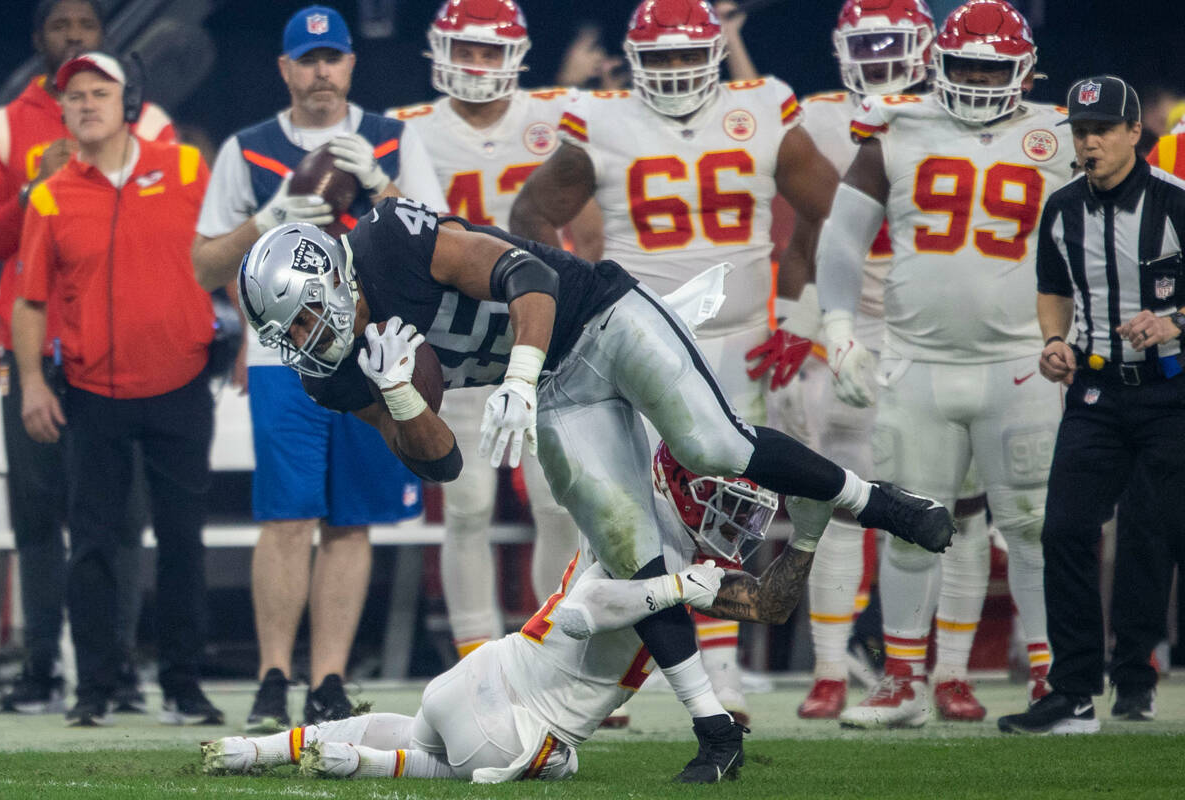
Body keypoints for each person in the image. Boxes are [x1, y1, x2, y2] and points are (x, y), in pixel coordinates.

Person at [236, 191, 955, 780]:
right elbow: (441, 466)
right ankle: (714, 733)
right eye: (286, 331)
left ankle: (878, 502)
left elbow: (531, 275)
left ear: (332, 276)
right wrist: (401, 398)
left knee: (712, 444)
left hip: (596, 315)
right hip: (556, 389)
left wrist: (516, 376)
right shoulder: (329, 374)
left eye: (303, 313)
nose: (303, 337)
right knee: (626, 547)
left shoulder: (389, 239)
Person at [508, 0, 839, 725]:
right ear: (636, 61)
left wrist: (805, 303)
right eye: (659, 58)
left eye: (687, 56)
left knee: (728, 510)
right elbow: (530, 215)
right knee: (627, 509)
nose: (675, 71)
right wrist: (574, 304)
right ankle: (601, 670)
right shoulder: (602, 120)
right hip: (639, 342)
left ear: (714, 54)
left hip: (740, 336)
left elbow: (831, 209)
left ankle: (719, 673)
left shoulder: (761, 105)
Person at [201, 458, 828, 784]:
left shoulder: (653, 535)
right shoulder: (652, 547)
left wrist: (807, 535)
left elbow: (768, 606)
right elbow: (590, 611)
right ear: (685, 491)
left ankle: (251, 750)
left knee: (409, 729)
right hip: (516, 720)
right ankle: (361, 767)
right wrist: (675, 586)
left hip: (482, 676)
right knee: (528, 763)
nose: (735, 516)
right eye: (723, 498)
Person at [815, 0, 1072, 728]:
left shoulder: (1057, 135)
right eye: (967, 66)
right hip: (917, 363)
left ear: (1024, 69)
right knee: (910, 526)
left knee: (1030, 527)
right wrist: (838, 328)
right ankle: (901, 681)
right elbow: (840, 241)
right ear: (938, 63)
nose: (982, 81)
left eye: (996, 68)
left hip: (1021, 364)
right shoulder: (895, 126)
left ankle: (1052, 681)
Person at [191, 5, 447, 732]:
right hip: (284, 354)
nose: (321, 71)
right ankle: (274, 675)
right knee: (286, 516)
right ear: (284, 69)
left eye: (332, 56)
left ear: (351, 63)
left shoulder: (396, 138)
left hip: (371, 350)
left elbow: (444, 243)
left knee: (351, 521)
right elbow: (204, 262)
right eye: (308, 59)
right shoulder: (250, 148)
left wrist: (384, 190)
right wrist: (266, 220)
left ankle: (328, 679)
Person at [794, 0, 1002, 724]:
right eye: (866, 45)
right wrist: (802, 325)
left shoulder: (961, 117)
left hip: (940, 336)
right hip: (852, 330)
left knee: (961, 505)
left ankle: (949, 671)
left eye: (894, 45)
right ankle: (829, 669)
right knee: (840, 497)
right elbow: (805, 236)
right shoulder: (818, 116)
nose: (879, 60)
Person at [11, 52, 221, 727]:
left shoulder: (188, 166)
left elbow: (228, 253)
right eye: (74, 96)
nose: (86, 104)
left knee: (185, 540)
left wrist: (249, 336)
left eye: (99, 92)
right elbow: (29, 301)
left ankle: (184, 687)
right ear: (63, 110)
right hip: (92, 390)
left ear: (128, 100)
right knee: (93, 543)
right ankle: (95, 689)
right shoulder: (49, 195)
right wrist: (31, 384)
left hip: (182, 381)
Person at [0, 0, 173, 715]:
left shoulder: (145, 123)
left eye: (85, 26)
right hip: (31, 346)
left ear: (104, 37)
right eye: (59, 26)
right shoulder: (2, 129)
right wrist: (37, 188)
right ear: (37, 40)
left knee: (120, 517)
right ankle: (38, 668)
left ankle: (117, 667)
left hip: (113, 346)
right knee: (38, 517)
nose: (72, 36)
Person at [384, 0, 586, 661]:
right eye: (464, 50)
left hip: (539, 330)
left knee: (557, 506)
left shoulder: (554, 117)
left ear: (516, 57)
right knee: (467, 505)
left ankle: (548, 647)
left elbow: (587, 224)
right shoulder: (407, 129)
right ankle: (476, 659)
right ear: (440, 51)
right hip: (457, 339)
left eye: (488, 51)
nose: (475, 65)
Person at [997, 76, 1185, 735]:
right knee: (1065, 531)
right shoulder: (1062, 206)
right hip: (1096, 393)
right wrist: (1054, 340)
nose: (1091, 140)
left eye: (1104, 128)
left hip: (1173, 393)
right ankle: (1074, 693)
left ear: (1137, 132)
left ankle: (1137, 674)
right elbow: (1052, 288)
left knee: (1162, 534)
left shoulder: (1175, 202)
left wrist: (1175, 321)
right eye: (1081, 130)